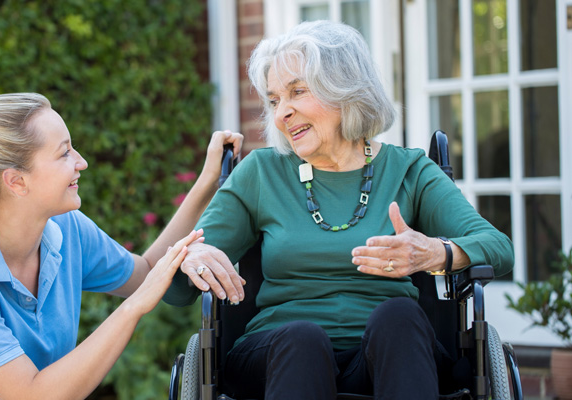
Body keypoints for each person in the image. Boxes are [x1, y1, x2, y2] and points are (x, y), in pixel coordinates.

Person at [164, 21, 513, 399]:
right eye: (275, 100)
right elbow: (178, 291)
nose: (282, 113)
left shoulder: (409, 170)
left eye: (298, 91)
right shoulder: (261, 174)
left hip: (391, 357)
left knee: (399, 317)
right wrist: (190, 256)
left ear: (345, 88)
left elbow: (498, 247)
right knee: (302, 338)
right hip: (280, 357)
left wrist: (437, 253)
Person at [0, 93, 243, 399]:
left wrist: (208, 181)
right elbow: (33, 394)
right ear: (17, 182)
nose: (81, 163)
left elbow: (145, 272)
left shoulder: (64, 229)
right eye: (64, 153)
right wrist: (134, 307)